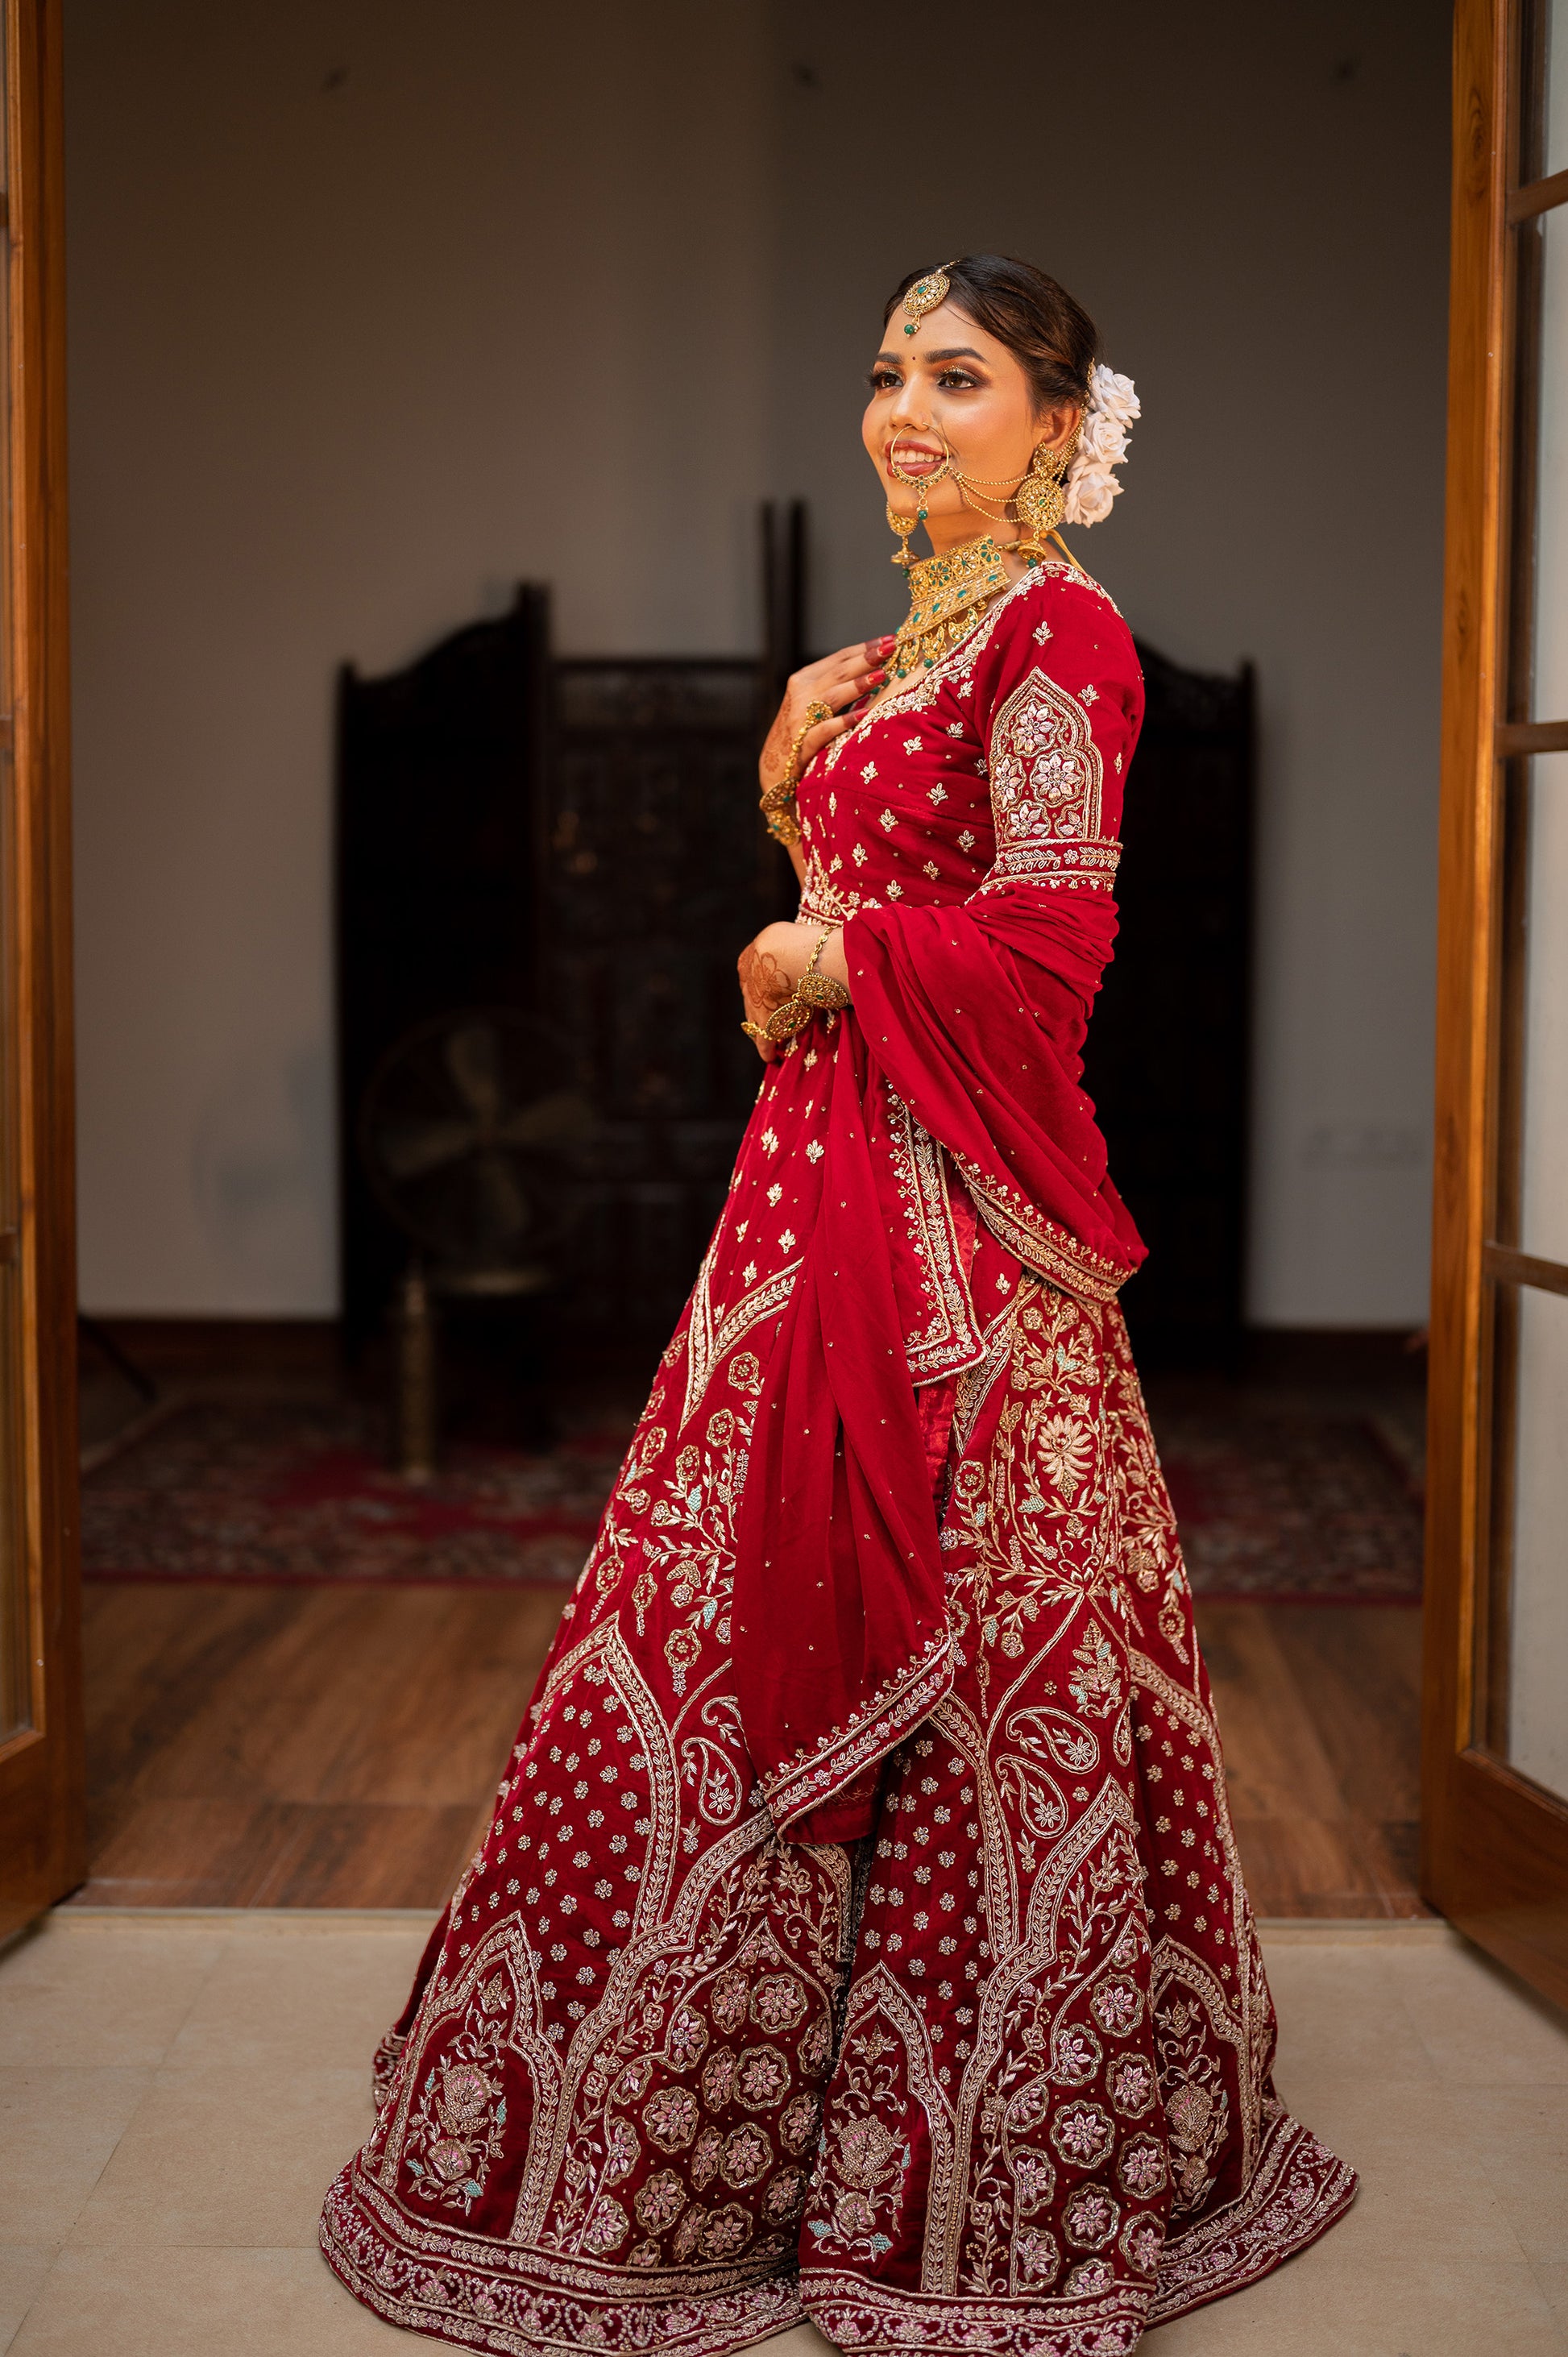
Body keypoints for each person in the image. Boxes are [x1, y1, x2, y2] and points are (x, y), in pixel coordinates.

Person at [321, 253, 1355, 2355]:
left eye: (958, 377)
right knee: (703, 1623)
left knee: (971, 1659)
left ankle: (957, 2179)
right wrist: (797, 788)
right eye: (887, 371)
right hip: (807, 1206)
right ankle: (703, 2144)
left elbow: (1050, 950)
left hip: (962, 1248)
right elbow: (884, 877)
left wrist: (816, 958)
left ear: (1058, 423)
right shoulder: (903, 649)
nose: (903, 410)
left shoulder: (1059, 635)